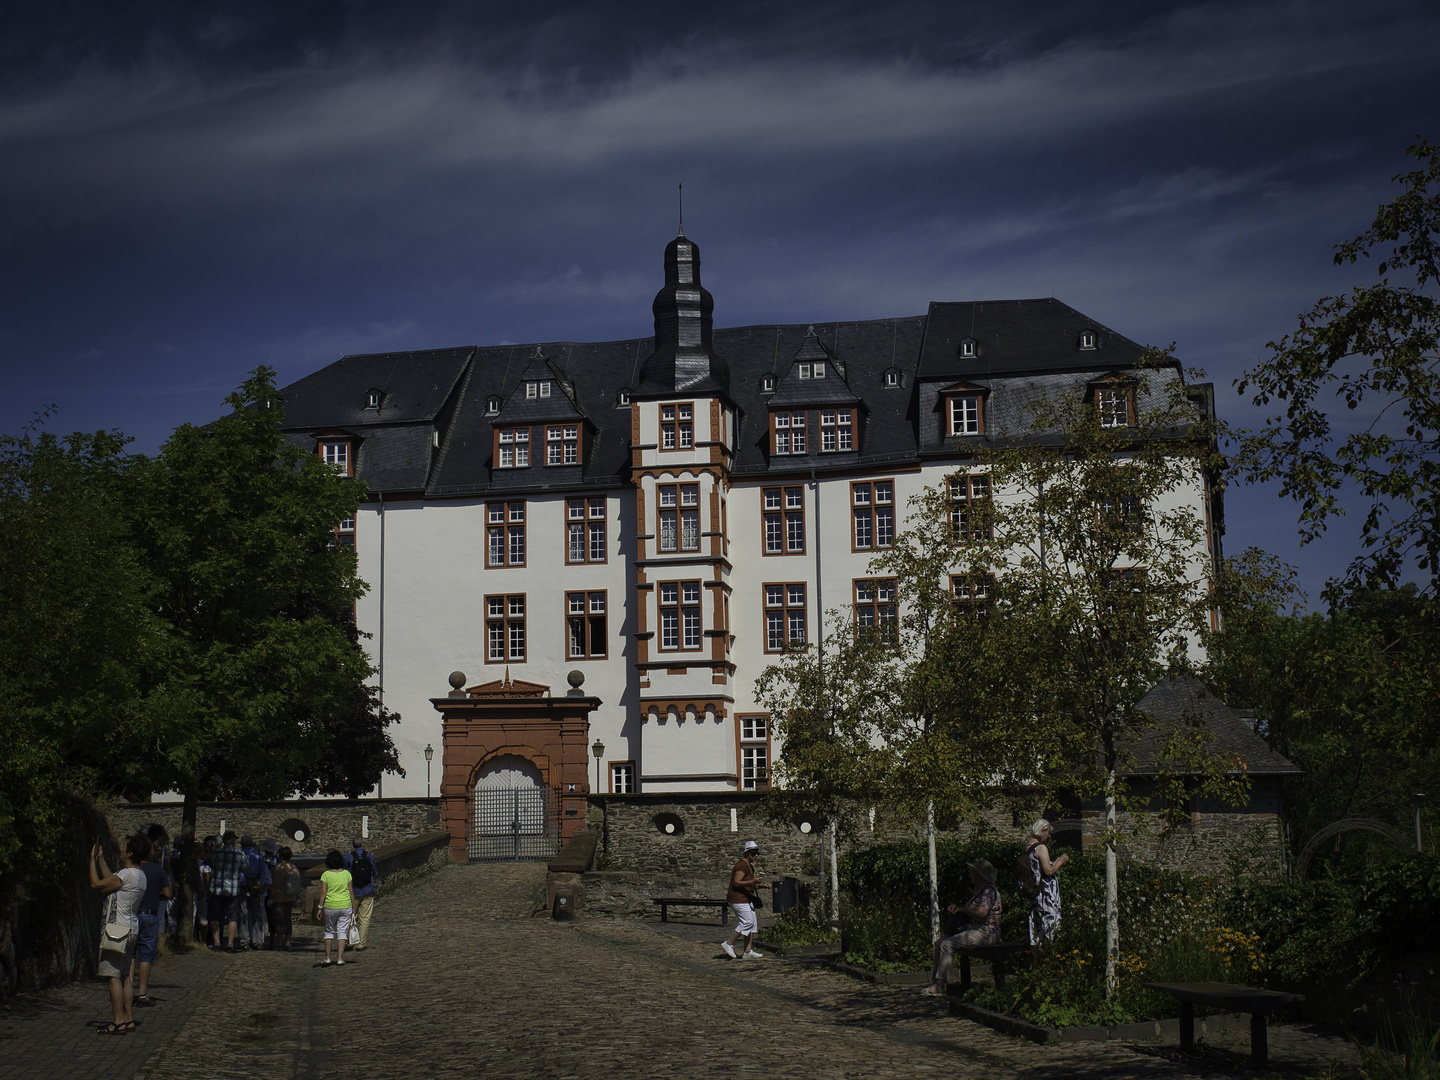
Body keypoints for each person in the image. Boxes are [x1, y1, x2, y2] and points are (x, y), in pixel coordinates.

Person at [88, 834, 148, 1034]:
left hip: (116, 930)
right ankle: (128, 1018)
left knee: (112, 975)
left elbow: (97, 885)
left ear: (130, 853)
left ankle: (118, 1020)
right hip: (131, 928)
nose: (121, 850)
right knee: (125, 976)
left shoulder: (126, 875)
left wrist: (91, 862)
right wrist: (101, 859)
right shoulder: (138, 875)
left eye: (124, 847)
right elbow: (111, 880)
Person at [922, 858, 1002, 996]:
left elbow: (982, 913)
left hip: (987, 932)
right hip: (975, 930)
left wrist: (966, 910)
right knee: (940, 942)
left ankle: (940, 985)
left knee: (947, 944)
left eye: (973, 872)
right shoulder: (978, 891)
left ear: (979, 875)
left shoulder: (988, 892)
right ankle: (937, 980)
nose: (970, 874)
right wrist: (958, 910)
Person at [132, 840, 173, 1007]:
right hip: (150, 914)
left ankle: (127, 988)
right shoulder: (158, 870)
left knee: (130, 954)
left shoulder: (132, 870)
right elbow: (168, 893)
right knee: (146, 956)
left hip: (132, 914)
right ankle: (142, 993)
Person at [719, 840, 770, 960]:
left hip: (745, 898)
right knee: (747, 922)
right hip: (738, 898)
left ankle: (747, 951)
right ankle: (729, 943)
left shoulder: (749, 866)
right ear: (747, 853)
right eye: (753, 853)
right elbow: (737, 883)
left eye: (757, 853)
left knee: (752, 923)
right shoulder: (741, 865)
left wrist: (761, 885)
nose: (756, 856)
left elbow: (747, 885)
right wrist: (753, 881)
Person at [1023, 818, 1068, 947]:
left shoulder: (1028, 847)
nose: (1049, 835)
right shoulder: (1041, 848)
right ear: (1042, 830)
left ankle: (1037, 953)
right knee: (1051, 925)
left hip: (1035, 892)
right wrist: (1061, 861)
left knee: (1038, 927)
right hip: (1046, 894)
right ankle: (1051, 954)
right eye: (1048, 832)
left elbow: (1039, 870)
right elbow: (1048, 871)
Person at [315, 850, 356, 966]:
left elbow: (323, 892)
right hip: (345, 904)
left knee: (329, 931)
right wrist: (353, 907)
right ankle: (340, 958)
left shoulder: (326, 875)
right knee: (342, 931)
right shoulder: (347, 874)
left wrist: (320, 907)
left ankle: (327, 957)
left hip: (330, 905)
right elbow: (351, 891)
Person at [207, 831, 246, 952]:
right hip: (232, 889)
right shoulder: (239, 853)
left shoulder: (216, 853)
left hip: (217, 888)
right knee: (232, 917)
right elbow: (246, 867)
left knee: (215, 916)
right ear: (234, 841)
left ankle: (217, 942)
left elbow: (208, 863)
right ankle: (230, 944)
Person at [345, 839, 379, 951]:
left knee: (351, 917)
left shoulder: (349, 857)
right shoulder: (369, 856)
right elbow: (375, 872)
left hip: (354, 891)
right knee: (365, 918)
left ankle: (349, 942)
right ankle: (361, 943)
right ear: (363, 844)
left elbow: (346, 875)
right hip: (367, 890)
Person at [238, 835, 271, 950]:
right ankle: (258, 941)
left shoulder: (240, 855)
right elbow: (264, 873)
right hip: (257, 886)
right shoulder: (259, 856)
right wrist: (260, 886)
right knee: (258, 916)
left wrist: (245, 885)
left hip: (244, 886)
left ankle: (245, 941)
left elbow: (240, 872)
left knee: (243, 914)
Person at [268, 846, 302, 951]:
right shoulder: (294, 869)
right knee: (288, 919)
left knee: (279, 919)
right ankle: (288, 942)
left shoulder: (279, 868)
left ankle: (279, 941)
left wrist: (271, 897)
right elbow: (298, 885)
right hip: (291, 897)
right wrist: (296, 897)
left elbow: (275, 884)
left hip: (279, 897)